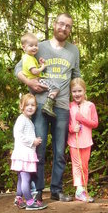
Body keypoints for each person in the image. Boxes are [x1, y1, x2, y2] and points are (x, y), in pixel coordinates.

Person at [15, 13, 81, 202]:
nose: (64, 28)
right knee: (39, 148)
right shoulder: (39, 47)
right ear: (54, 25)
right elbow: (18, 68)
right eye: (61, 24)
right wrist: (30, 82)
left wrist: (80, 100)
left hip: (62, 107)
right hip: (41, 104)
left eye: (68, 26)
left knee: (60, 151)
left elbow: (76, 76)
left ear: (70, 29)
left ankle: (57, 190)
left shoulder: (73, 51)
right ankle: (37, 191)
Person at [10, 93, 47, 211]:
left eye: (33, 105)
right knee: (26, 179)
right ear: (21, 106)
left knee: (22, 178)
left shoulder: (28, 120)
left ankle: (18, 198)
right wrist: (33, 141)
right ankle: (30, 201)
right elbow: (18, 135)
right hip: (23, 154)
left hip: (26, 154)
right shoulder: (22, 120)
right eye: (27, 105)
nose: (30, 107)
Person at [68, 78, 98, 202]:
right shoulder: (70, 106)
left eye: (79, 91)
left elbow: (95, 123)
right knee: (76, 165)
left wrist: (82, 119)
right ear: (71, 93)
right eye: (74, 91)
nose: (77, 94)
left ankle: (82, 190)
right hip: (74, 142)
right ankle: (79, 189)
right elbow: (67, 125)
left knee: (84, 166)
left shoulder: (90, 105)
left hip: (86, 142)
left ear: (84, 91)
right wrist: (71, 129)